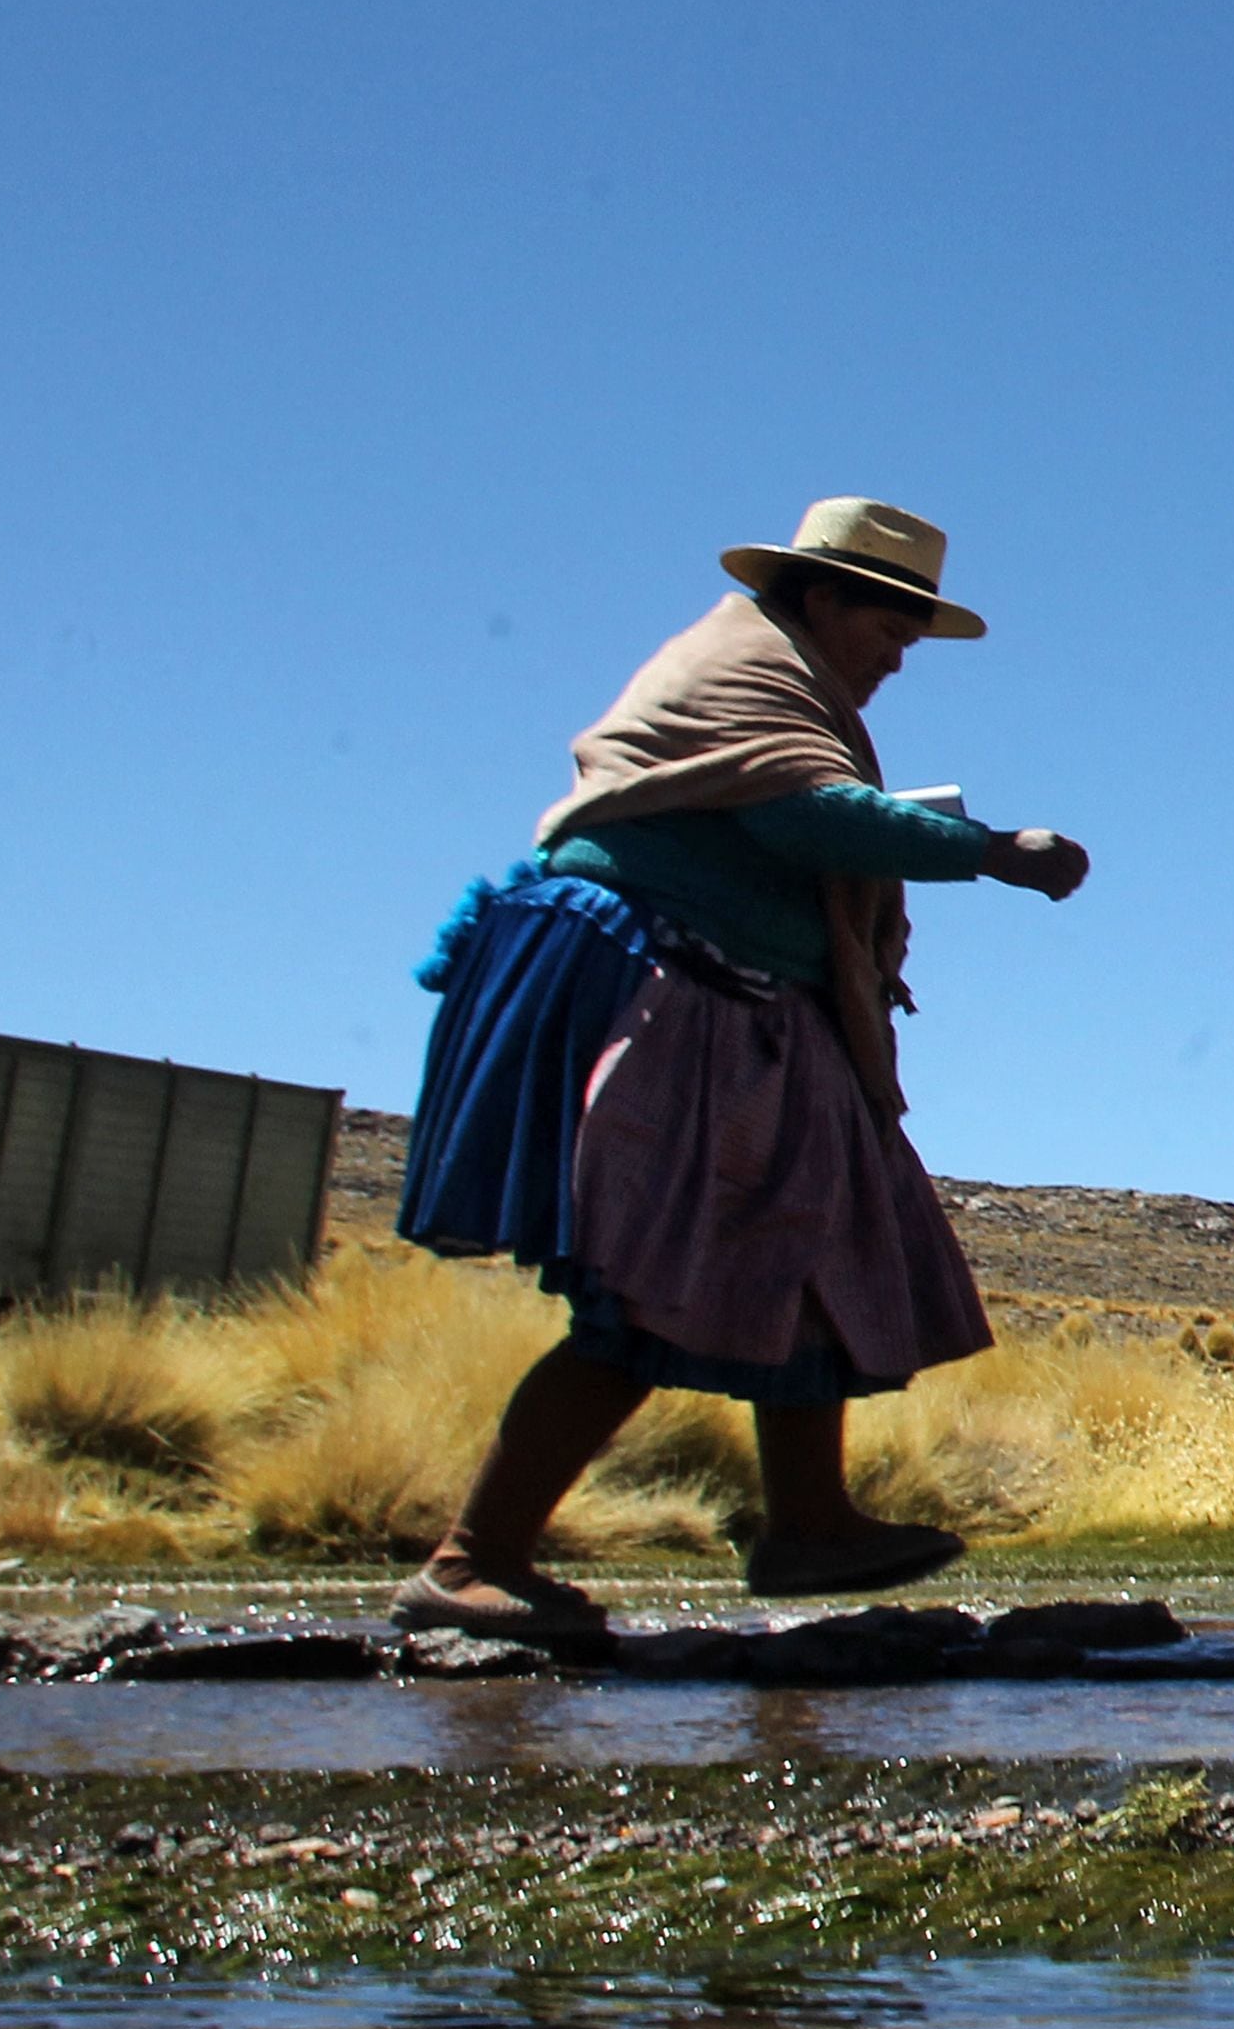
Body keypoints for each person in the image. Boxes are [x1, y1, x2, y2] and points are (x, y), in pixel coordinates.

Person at [388, 498, 1094, 1641]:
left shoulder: (791, 687)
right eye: (888, 628)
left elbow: (802, 815)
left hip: (745, 1004)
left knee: (810, 1250)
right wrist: (986, 852)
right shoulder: (741, 668)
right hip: (654, 989)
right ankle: (473, 1561)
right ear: (823, 597)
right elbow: (805, 820)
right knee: (646, 1287)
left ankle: (808, 1525)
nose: (895, 658)